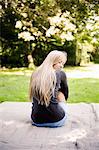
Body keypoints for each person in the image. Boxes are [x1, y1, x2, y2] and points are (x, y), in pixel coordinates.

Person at [29, 50, 69, 127]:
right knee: (60, 93)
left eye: (62, 64)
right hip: (56, 120)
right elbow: (65, 92)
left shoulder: (35, 73)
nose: (61, 66)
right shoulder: (59, 73)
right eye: (60, 62)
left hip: (36, 121)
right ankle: (60, 108)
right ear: (52, 61)